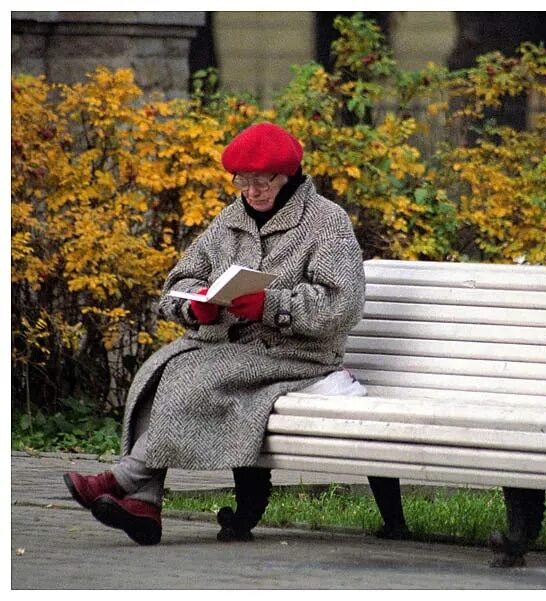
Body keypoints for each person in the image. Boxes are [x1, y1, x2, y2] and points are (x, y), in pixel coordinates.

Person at [63, 121, 366, 545]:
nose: (252, 192)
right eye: (243, 182)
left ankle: (123, 479)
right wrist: (196, 304)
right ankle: (145, 504)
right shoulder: (231, 219)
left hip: (299, 355)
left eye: (262, 183)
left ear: (289, 177)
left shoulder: (327, 222)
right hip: (228, 345)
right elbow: (178, 283)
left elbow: (342, 303)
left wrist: (271, 305)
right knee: (157, 370)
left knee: (195, 377)